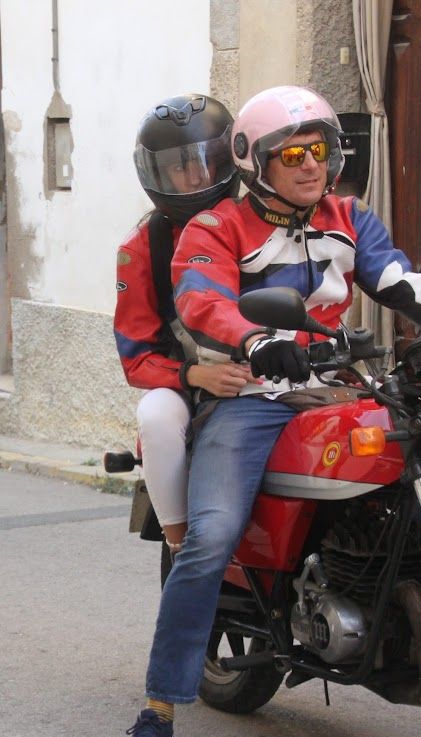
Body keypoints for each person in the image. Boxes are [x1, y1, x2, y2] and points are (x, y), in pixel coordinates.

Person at [110, 85, 421, 737]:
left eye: (323, 150)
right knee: (209, 538)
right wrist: (255, 342)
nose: (312, 165)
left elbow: (400, 279)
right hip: (255, 395)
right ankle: (158, 716)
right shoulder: (214, 228)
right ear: (253, 161)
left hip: (339, 384)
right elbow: (201, 299)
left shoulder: (347, 217)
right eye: (293, 153)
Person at [116, 94, 257, 554]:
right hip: (187, 381)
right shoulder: (143, 248)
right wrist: (196, 375)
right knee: (156, 418)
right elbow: (136, 356)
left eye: (208, 162)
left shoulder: (263, 220)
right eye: (180, 168)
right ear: (156, 175)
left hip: (273, 368)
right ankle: (184, 549)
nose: (197, 177)